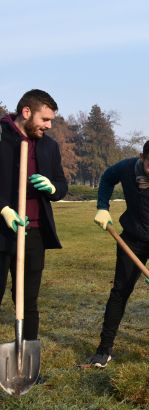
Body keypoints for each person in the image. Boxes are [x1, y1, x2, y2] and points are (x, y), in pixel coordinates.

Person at [87, 138, 149, 367]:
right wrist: (102, 206)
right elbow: (107, 178)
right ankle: (104, 349)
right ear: (141, 158)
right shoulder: (126, 167)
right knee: (120, 291)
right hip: (132, 239)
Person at [0, 89, 68, 340]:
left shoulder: (49, 146)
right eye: (45, 119)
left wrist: (52, 188)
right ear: (26, 112)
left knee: (28, 300)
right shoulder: (2, 137)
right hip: (2, 230)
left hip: (34, 232)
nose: (49, 126)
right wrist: (3, 208)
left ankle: (27, 356)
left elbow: (62, 185)